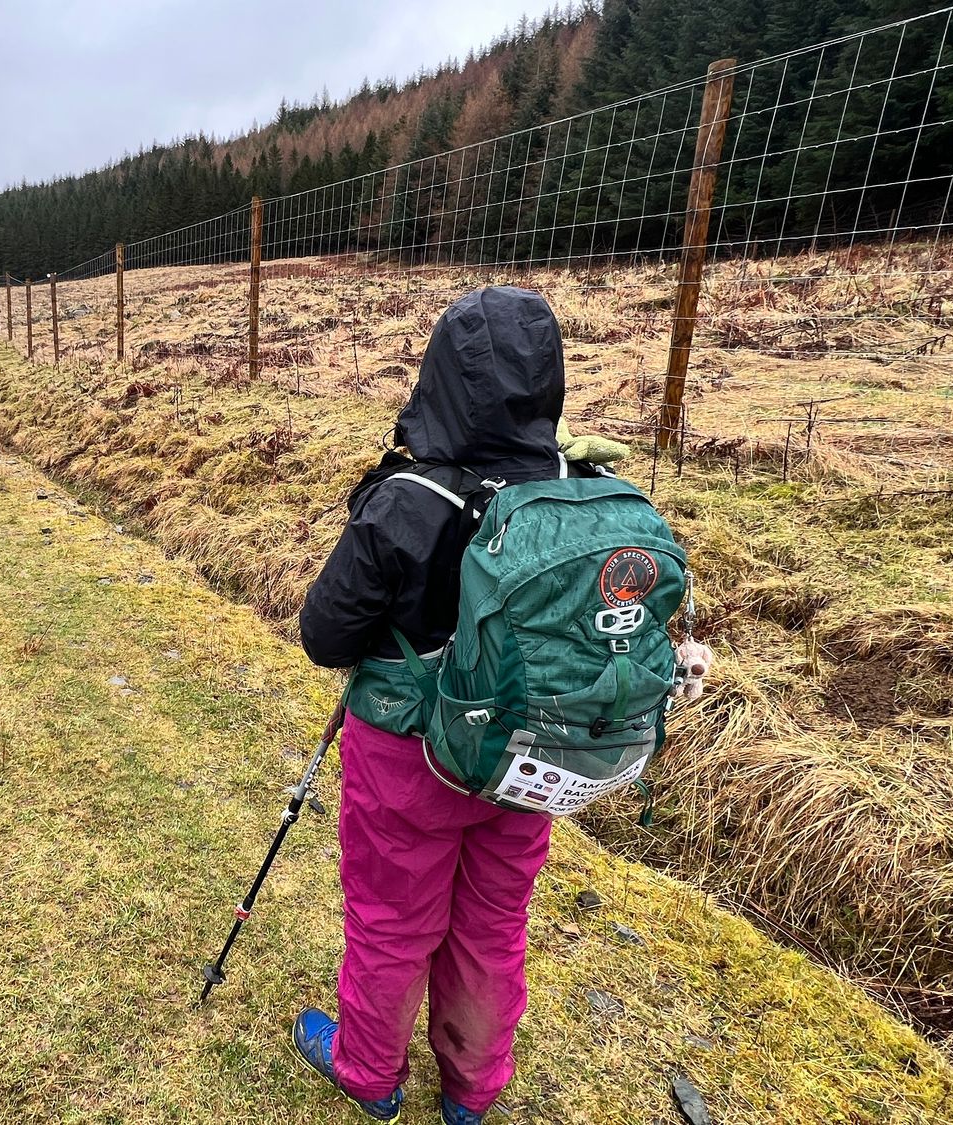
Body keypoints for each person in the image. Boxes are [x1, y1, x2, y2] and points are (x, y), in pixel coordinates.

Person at [291, 286, 610, 1124]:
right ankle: (471, 1092)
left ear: (438, 375)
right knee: (494, 921)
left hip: (409, 756)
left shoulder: (407, 498)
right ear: (549, 379)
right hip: (527, 754)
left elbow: (325, 634)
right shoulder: (575, 492)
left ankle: (369, 1071)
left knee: (394, 917)